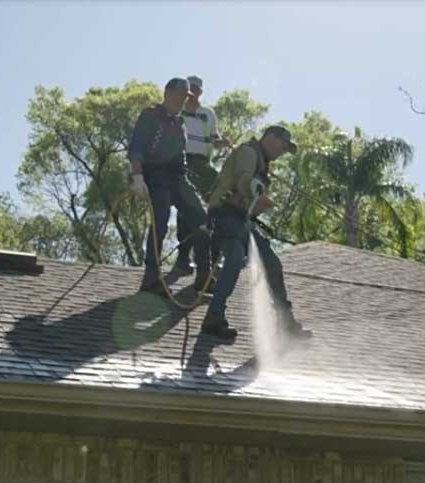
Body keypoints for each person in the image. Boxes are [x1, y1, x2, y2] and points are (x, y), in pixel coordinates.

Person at [200, 126, 311, 339]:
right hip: (225, 216)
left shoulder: (261, 161)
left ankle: (286, 324)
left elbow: (248, 198)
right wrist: (255, 191)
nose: (283, 152)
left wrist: (259, 203)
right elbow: (243, 180)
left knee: (272, 264)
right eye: (283, 145)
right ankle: (214, 316)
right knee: (234, 258)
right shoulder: (249, 152)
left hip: (241, 220)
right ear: (270, 137)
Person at [127, 77, 213, 294]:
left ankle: (205, 275)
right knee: (160, 222)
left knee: (201, 220)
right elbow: (137, 146)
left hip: (177, 178)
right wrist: (137, 176)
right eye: (179, 96)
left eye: (185, 97)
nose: (182, 100)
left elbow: (180, 159)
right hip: (155, 177)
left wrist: (191, 188)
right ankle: (151, 278)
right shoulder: (150, 115)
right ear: (167, 93)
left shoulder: (180, 124)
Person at [172, 75, 229, 276]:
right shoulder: (177, 111)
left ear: (200, 92)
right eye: (190, 88)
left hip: (202, 164)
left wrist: (222, 143)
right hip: (182, 161)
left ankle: (211, 256)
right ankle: (183, 257)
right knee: (186, 207)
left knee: (218, 201)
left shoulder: (207, 114)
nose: (192, 92)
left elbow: (214, 138)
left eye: (196, 89)